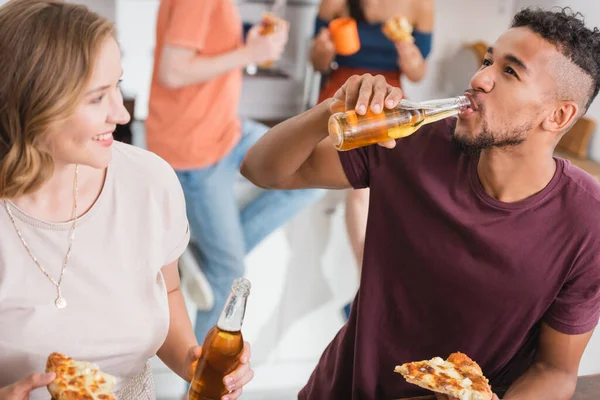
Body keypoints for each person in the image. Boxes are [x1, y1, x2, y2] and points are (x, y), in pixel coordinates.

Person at [241, 7, 600, 400]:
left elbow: (555, 370)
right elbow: (262, 170)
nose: (479, 79)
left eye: (510, 72)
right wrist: (332, 108)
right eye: (486, 61)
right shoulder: (407, 140)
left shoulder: (587, 222)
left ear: (558, 115)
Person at [0, 1, 252, 399]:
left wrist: (194, 361)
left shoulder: (149, 182)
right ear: (34, 103)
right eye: (97, 98)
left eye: (117, 86)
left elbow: (166, 293)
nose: (120, 114)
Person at [145, 0, 325, 343]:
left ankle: (203, 254)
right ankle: (198, 393)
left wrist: (248, 47)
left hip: (226, 131)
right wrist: (249, 53)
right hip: (192, 147)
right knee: (228, 272)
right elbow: (174, 70)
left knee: (313, 168)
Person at [311, 0, 434, 319]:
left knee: (386, 191)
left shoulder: (421, 5)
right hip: (345, 98)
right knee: (363, 188)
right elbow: (318, 62)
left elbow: (418, 73)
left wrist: (407, 51)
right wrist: (323, 49)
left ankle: (370, 292)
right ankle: (369, 289)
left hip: (390, 102)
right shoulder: (337, 3)